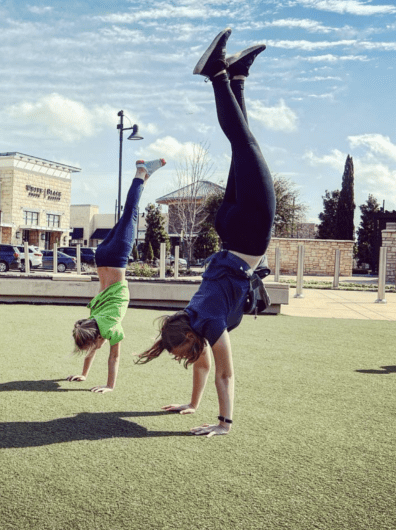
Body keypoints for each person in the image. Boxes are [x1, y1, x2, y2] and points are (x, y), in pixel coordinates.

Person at [136, 28, 275, 437]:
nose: (185, 358)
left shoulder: (208, 323)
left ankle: (217, 73)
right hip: (230, 230)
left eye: (181, 351)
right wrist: (192, 404)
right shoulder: (192, 315)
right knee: (242, 146)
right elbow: (202, 363)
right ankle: (238, 80)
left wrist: (223, 424)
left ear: (190, 334)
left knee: (246, 144)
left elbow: (225, 375)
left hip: (248, 232)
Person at [68, 158, 166, 393]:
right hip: (100, 256)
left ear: (95, 336)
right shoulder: (93, 318)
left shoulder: (111, 328)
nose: (94, 347)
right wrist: (83, 374)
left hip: (118, 257)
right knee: (127, 216)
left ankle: (141, 171)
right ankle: (144, 176)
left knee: (130, 214)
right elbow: (94, 347)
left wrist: (110, 386)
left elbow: (114, 358)